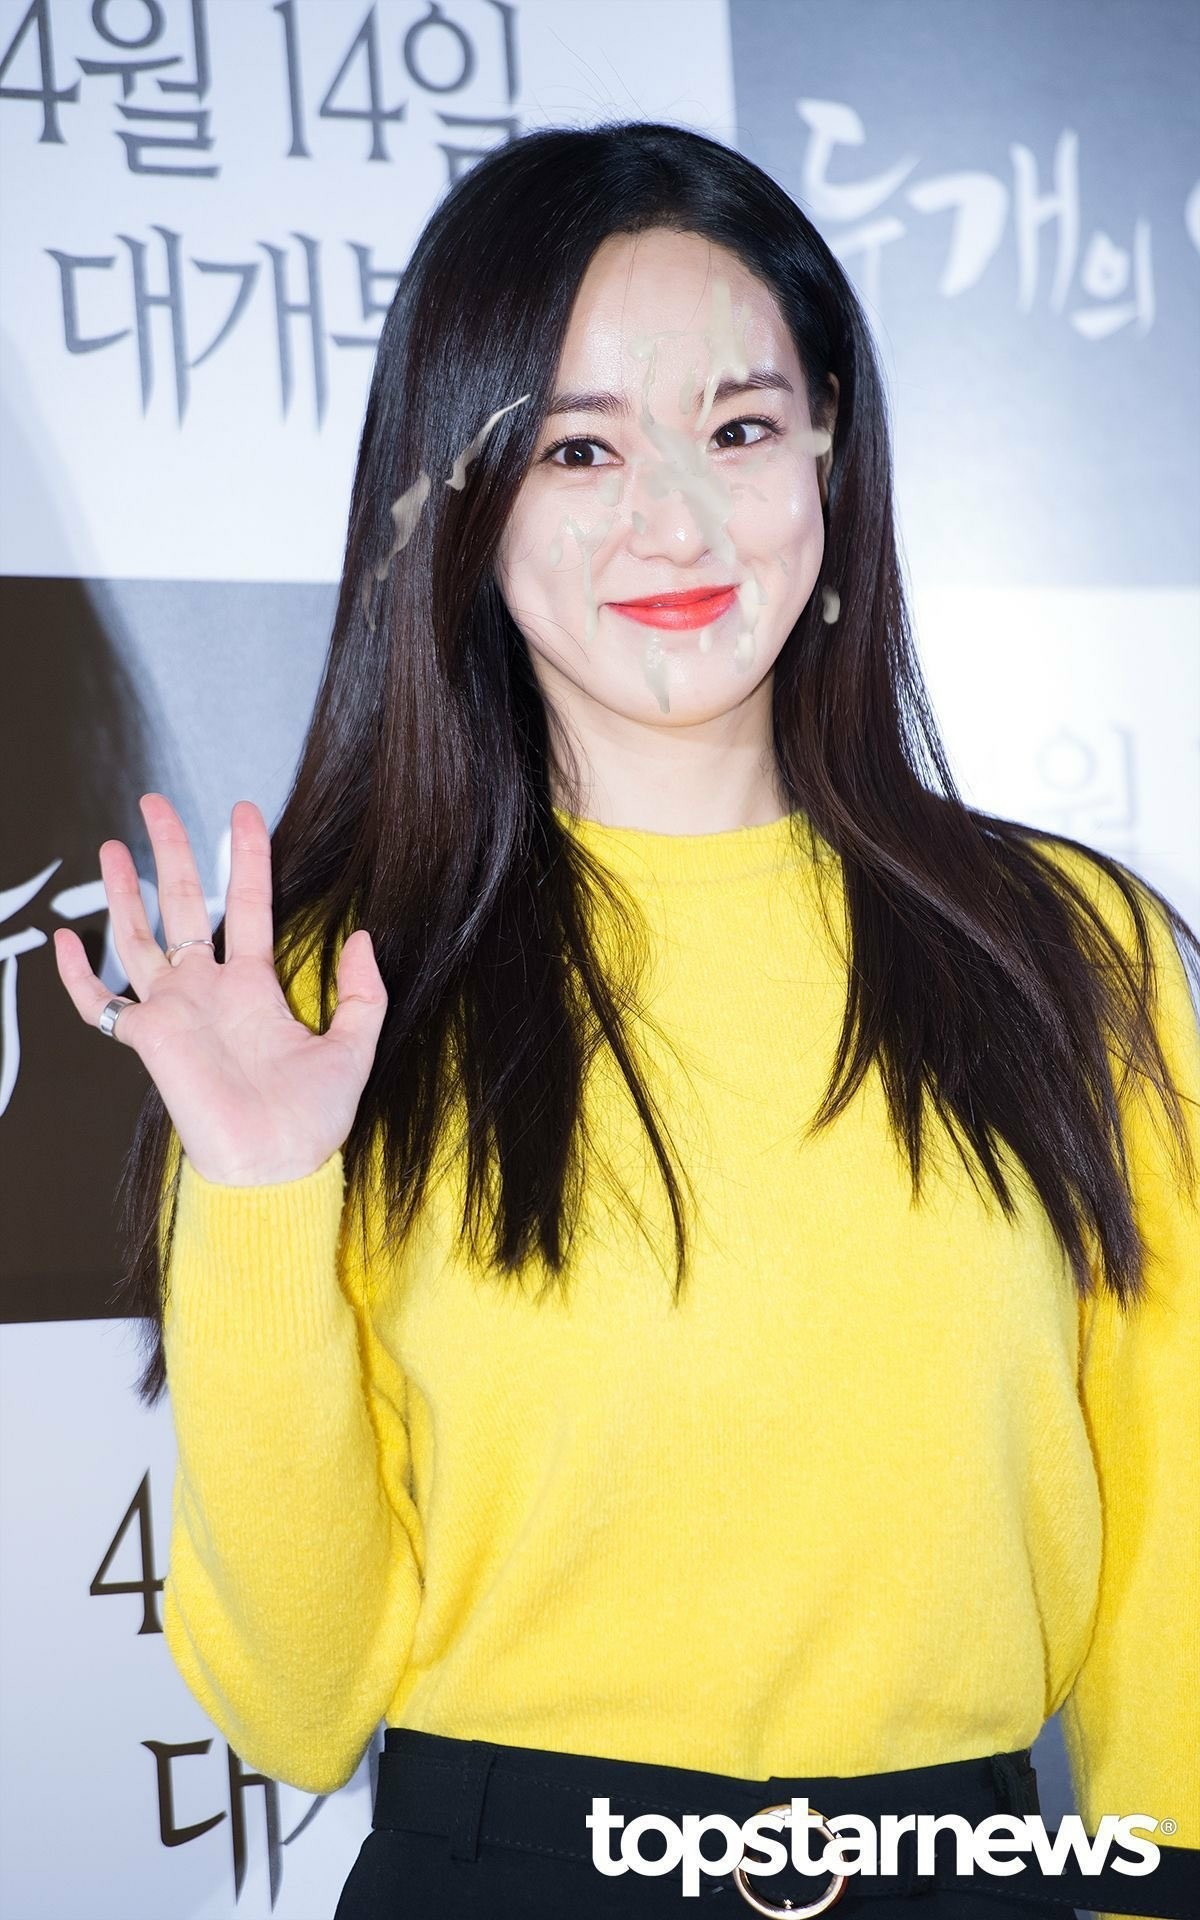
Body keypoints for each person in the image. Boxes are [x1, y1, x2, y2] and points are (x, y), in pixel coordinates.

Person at [54, 122, 1199, 1920]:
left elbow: (1179, 1549)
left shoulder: (1069, 950)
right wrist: (266, 1195)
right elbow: (295, 1707)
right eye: (579, 448)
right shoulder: (321, 995)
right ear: (460, 500)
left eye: (737, 429)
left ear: (830, 451)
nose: (676, 517)